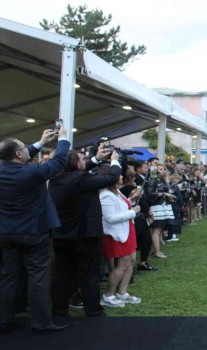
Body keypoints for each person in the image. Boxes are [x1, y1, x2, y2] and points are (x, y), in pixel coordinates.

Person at [0, 126, 70, 333]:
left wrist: (40, 143)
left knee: (8, 277)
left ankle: (4, 319)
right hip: (35, 232)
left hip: (5, 232)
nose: (28, 149)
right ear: (19, 154)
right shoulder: (32, 172)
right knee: (38, 278)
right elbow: (58, 162)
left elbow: (15, 154)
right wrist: (63, 140)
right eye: (25, 147)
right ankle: (41, 322)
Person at [47, 145, 121, 318]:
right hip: (84, 235)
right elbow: (111, 177)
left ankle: (59, 311)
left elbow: (76, 174)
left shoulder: (56, 179)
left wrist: (96, 159)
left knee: (62, 274)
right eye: (82, 159)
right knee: (88, 274)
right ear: (74, 163)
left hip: (61, 235)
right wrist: (115, 161)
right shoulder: (81, 179)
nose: (85, 162)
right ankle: (93, 311)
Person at [99, 166, 142, 308]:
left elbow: (122, 207)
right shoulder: (106, 194)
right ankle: (108, 295)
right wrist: (133, 212)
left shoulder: (116, 192)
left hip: (126, 230)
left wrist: (132, 199)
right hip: (115, 234)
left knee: (131, 261)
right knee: (122, 264)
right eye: (119, 175)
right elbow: (110, 218)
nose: (122, 177)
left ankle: (122, 292)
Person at [145, 164, 176, 258]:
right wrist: (164, 194)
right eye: (161, 169)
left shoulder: (162, 180)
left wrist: (167, 184)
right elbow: (150, 194)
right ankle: (156, 252)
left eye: (164, 169)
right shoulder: (152, 179)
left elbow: (169, 190)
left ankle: (157, 251)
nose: (163, 171)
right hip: (156, 206)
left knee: (160, 229)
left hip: (163, 206)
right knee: (156, 230)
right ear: (155, 171)